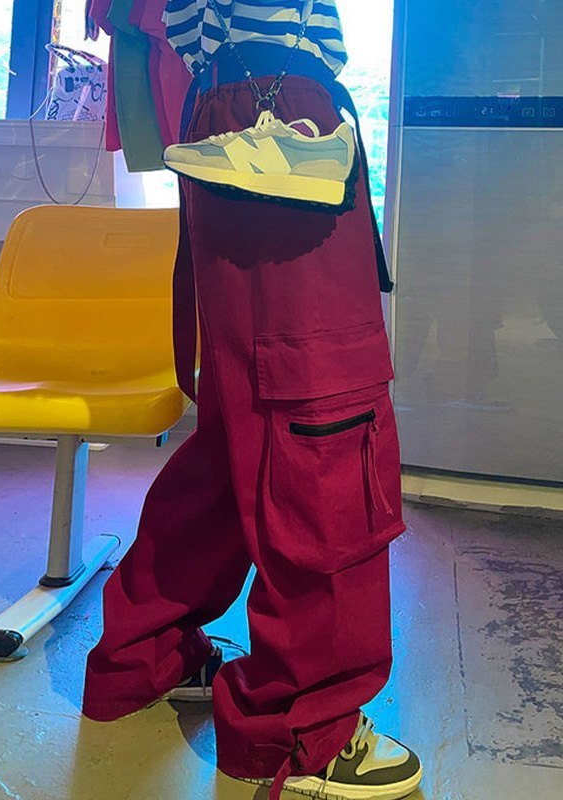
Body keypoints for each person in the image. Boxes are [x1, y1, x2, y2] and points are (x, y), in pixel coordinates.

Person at [82, 2, 423, 799]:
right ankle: (304, 727)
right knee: (318, 421)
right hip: (275, 118)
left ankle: (145, 653)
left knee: (245, 423)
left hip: (244, 113)